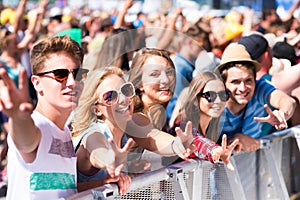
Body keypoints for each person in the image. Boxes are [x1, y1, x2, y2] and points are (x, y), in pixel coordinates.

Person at [71, 64, 196, 188]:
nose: (123, 99)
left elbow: (152, 139)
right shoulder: (94, 133)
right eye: (110, 96)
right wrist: (109, 160)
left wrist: (177, 144)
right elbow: (96, 151)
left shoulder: (128, 123)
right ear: (96, 109)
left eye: (125, 90)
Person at [0, 35, 92, 199]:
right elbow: (26, 141)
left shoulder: (63, 131)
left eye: (77, 74)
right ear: (36, 83)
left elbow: (62, 189)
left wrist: (105, 183)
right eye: (60, 74)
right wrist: (19, 118)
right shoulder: (37, 125)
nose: (71, 82)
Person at [128, 48, 237, 169]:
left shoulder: (158, 116)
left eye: (169, 72)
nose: (165, 80)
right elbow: (151, 138)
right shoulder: (134, 116)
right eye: (154, 74)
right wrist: (178, 144)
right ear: (139, 83)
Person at [215, 43, 296, 152]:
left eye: (248, 80)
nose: (243, 88)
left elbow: (287, 101)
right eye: (235, 82)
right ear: (223, 83)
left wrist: (283, 114)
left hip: (254, 163)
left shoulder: (260, 87)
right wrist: (234, 141)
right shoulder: (213, 102)